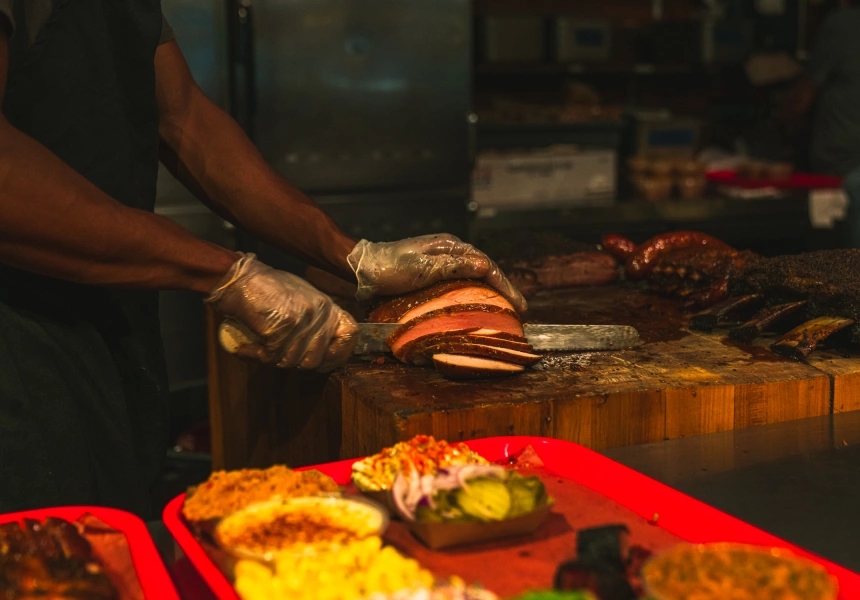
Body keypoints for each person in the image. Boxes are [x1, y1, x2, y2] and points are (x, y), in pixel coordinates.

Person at [0, 2, 525, 517]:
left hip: (110, 311)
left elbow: (181, 115)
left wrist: (354, 256)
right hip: (18, 338)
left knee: (114, 531)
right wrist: (225, 274)